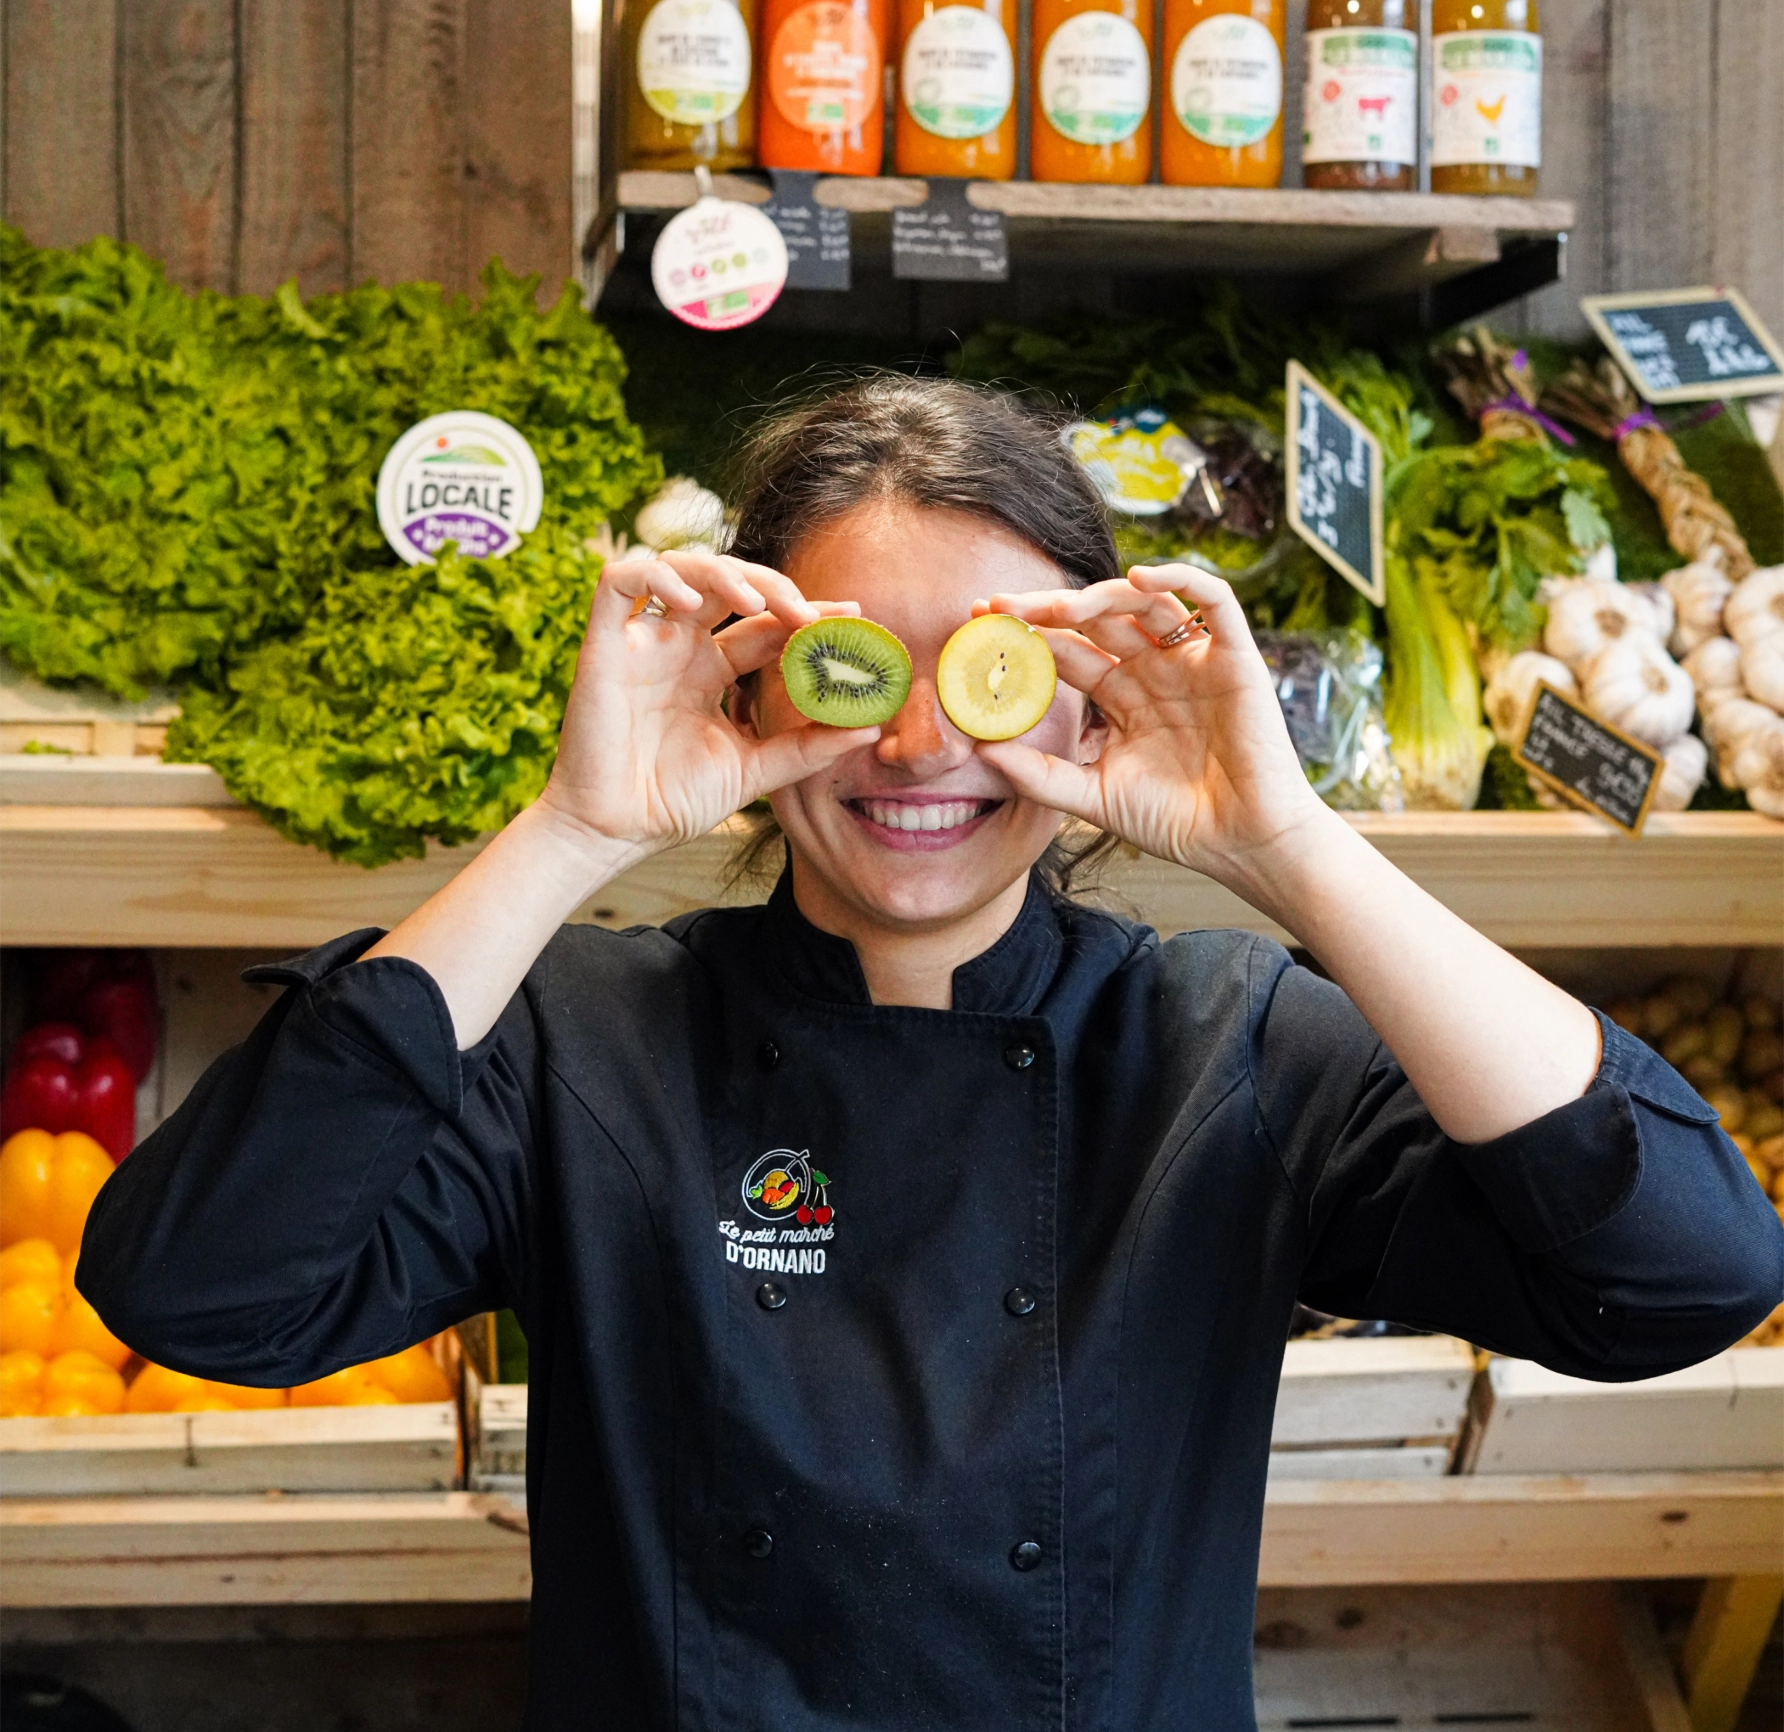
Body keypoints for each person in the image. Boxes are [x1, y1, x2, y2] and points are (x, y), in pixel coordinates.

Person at [82, 377, 1783, 1731]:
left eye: (987, 671)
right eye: (848, 669)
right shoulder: (578, 1041)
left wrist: (1288, 846)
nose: (913, 745)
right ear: (753, 693)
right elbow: (199, 1290)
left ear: (1091, 693)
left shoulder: (1234, 1047)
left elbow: (1685, 1274)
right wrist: (571, 827)